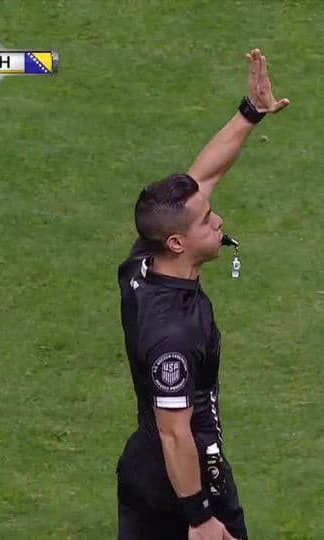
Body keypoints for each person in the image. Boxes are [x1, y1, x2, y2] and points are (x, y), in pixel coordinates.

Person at [115, 49, 290, 540]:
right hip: (184, 483)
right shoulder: (173, 332)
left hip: (143, 470)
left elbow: (204, 177)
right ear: (177, 242)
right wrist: (199, 519)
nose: (219, 222)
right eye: (208, 220)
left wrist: (250, 112)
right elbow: (175, 431)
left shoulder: (142, 260)